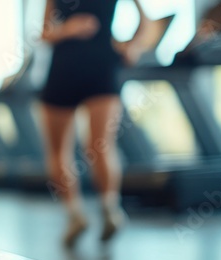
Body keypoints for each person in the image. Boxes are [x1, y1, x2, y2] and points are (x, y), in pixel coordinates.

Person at [39, 0, 152, 247]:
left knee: (84, 147)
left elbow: (46, 32)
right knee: (87, 147)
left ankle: (92, 213)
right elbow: (45, 33)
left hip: (83, 66)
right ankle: (95, 212)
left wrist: (133, 47)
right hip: (83, 66)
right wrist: (68, 29)